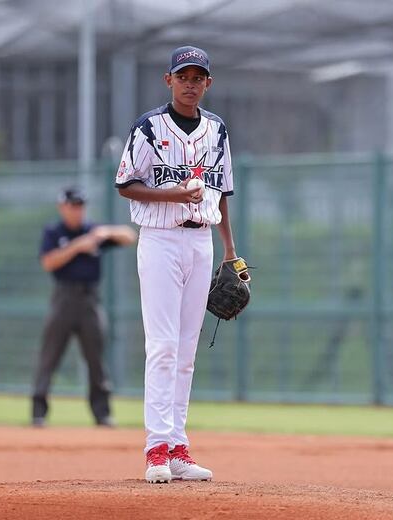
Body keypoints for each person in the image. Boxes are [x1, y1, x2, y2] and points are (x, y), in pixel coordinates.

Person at [115, 45, 239, 483]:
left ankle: (179, 448)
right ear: (168, 80)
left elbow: (221, 194)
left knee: (186, 351)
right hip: (161, 240)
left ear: (208, 83)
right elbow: (126, 185)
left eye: (198, 77)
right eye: (182, 76)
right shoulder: (148, 128)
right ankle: (155, 450)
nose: (190, 84)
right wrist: (172, 195)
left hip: (201, 241)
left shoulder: (217, 130)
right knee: (163, 347)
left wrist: (230, 252)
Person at [31, 186, 137, 428]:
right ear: (62, 207)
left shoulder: (93, 231)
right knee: (50, 355)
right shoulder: (54, 232)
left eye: (81, 206)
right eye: (73, 206)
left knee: (96, 359)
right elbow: (48, 262)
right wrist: (77, 246)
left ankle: (102, 413)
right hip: (63, 298)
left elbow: (130, 236)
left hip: (90, 299)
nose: (78, 211)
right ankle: (38, 411)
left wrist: (103, 233)